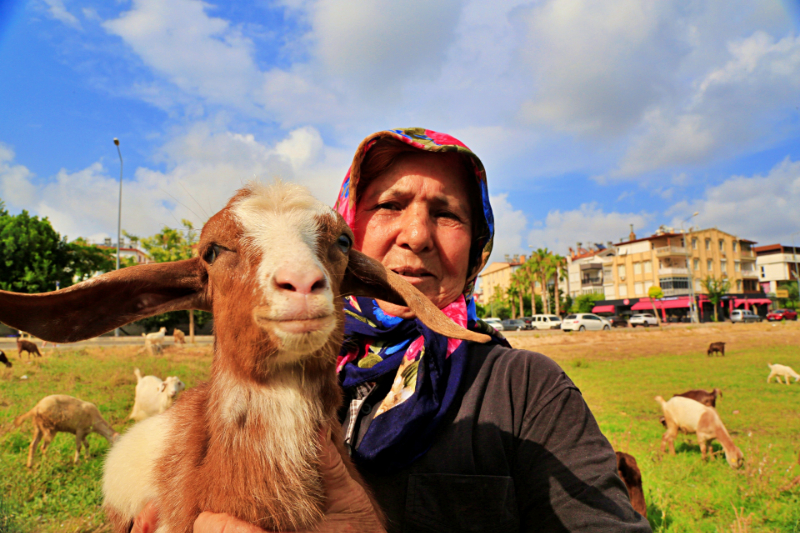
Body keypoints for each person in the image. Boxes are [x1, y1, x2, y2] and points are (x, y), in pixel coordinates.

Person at [133, 128, 651, 533]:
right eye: (390, 205)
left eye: (448, 215)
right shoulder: (273, 378)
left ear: (476, 248)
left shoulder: (525, 390)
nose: (418, 235)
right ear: (346, 235)